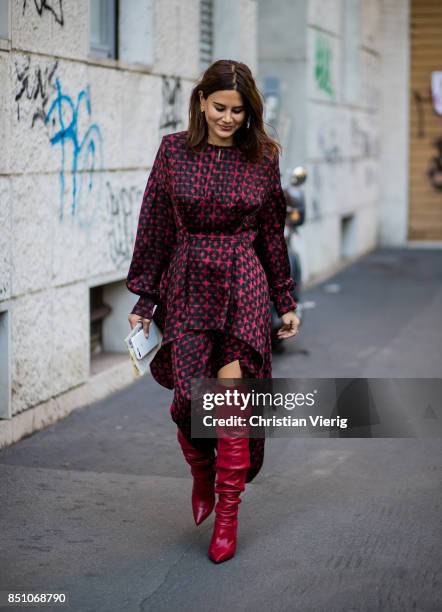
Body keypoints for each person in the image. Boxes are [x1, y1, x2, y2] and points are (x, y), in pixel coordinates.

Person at [126, 59, 300, 563]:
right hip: (188, 283)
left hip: (243, 282)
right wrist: (144, 297)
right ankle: (202, 473)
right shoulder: (173, 152)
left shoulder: (262, 157)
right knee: (188, 399)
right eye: (219, 107)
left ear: (249, 112)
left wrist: (285, 300)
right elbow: (154, 225)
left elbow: (271, 234)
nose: (227, 118)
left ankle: (228, 517)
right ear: (202, 102)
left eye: (237, 110)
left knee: (231, 403)